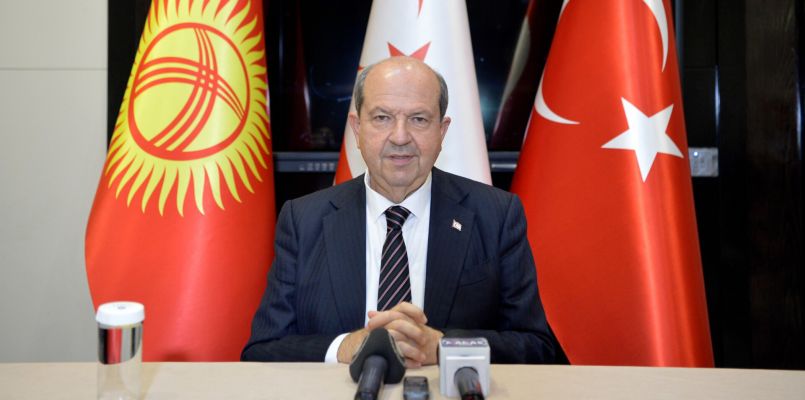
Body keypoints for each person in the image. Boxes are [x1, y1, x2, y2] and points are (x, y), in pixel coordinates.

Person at [242, 56, 556, 366]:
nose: (400, 137)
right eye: (382, 118)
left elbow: (535, 346)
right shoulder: (303, 220)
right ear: (357, 128)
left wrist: (444, 348)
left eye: (419, 119)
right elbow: (263, 349)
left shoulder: (496, 215)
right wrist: (343, 347)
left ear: (442, 131)